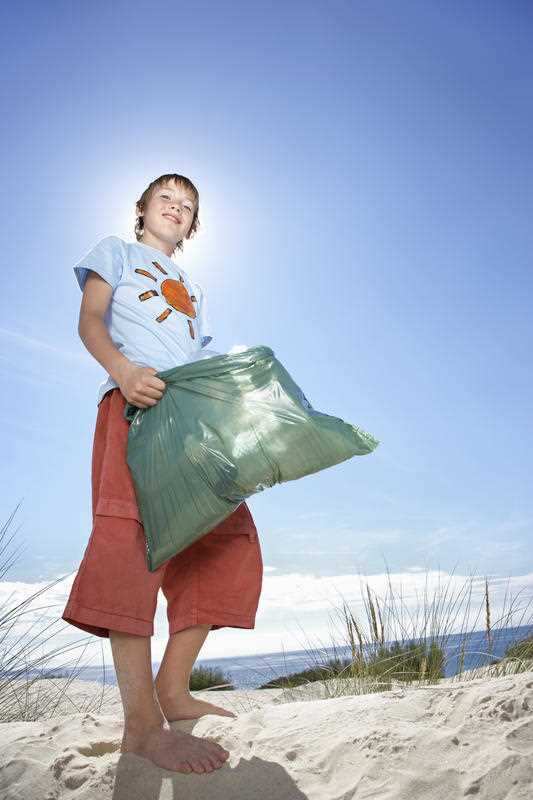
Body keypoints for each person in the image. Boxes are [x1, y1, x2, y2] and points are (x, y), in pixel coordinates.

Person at [62, 173, 264, 775]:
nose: (176, 209)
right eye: (166, 200)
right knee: (130, 543)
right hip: (133, 405)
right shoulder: (116, 252)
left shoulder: (193, 286)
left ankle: (173, 689)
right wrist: (123, 371)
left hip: (191, 421)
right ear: (143, 210)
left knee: (227, 540)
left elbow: (195, 361)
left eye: (188, 206)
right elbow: (91, 321)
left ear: (193, 224)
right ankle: (143, 724)